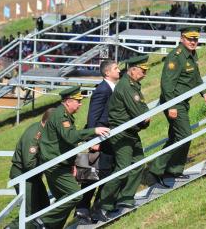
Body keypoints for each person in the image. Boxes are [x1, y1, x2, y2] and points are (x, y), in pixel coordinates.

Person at [148, 26, 206, 188]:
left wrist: (204, 91)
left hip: (183, 102)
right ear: (182, 38)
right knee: (184, 135)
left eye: (195, 39)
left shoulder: (191, 54)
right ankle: (156, 169)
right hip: (174, 102)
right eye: (190, 39)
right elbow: (167, 84)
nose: (193, 42)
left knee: (177, 136)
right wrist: (172, 105)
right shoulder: (175, 56)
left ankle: (173, 169)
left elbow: (196, 76)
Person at [38, 86, 110, 228]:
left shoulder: (64, 114)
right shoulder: (61, 116)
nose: (80, 103)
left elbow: (65, 142)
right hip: (55, 164)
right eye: (78, 100)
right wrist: (94, 130)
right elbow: (70, 137)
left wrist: (72, 163)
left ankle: (76, 213)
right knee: (75, 195)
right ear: (68, 101)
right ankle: (42, 219)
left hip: (62, 162)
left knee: (89, 172)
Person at [92, 55, 151, 222]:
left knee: (138, 163)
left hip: (131, 132)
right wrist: (145, 119)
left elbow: (142, 107)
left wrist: (144, 118)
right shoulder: (126, 86)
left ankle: (125, 198)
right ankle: (102, 205)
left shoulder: (133, 85)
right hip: (122, 134)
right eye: (143, 70)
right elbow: (140, 112)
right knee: (123, 168)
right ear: (133, 70)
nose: (145, 73)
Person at [74, 60, 120, 221]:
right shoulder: (102, 89)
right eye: (116, 68)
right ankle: (83, 208)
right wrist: (94, 140)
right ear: (107, 73)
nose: (119, 70)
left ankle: (96, 206)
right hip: (101, 138)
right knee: (93, 172)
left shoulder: (113, 88)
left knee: (104, 171)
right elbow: (93, 116)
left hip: (108, 136)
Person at [6, 108, 55, 229]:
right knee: (30, 212)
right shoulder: (35, 135)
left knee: (44, 205)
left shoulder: (42, 129)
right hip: (24, 175)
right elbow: (29, 163)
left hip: (33, 176)